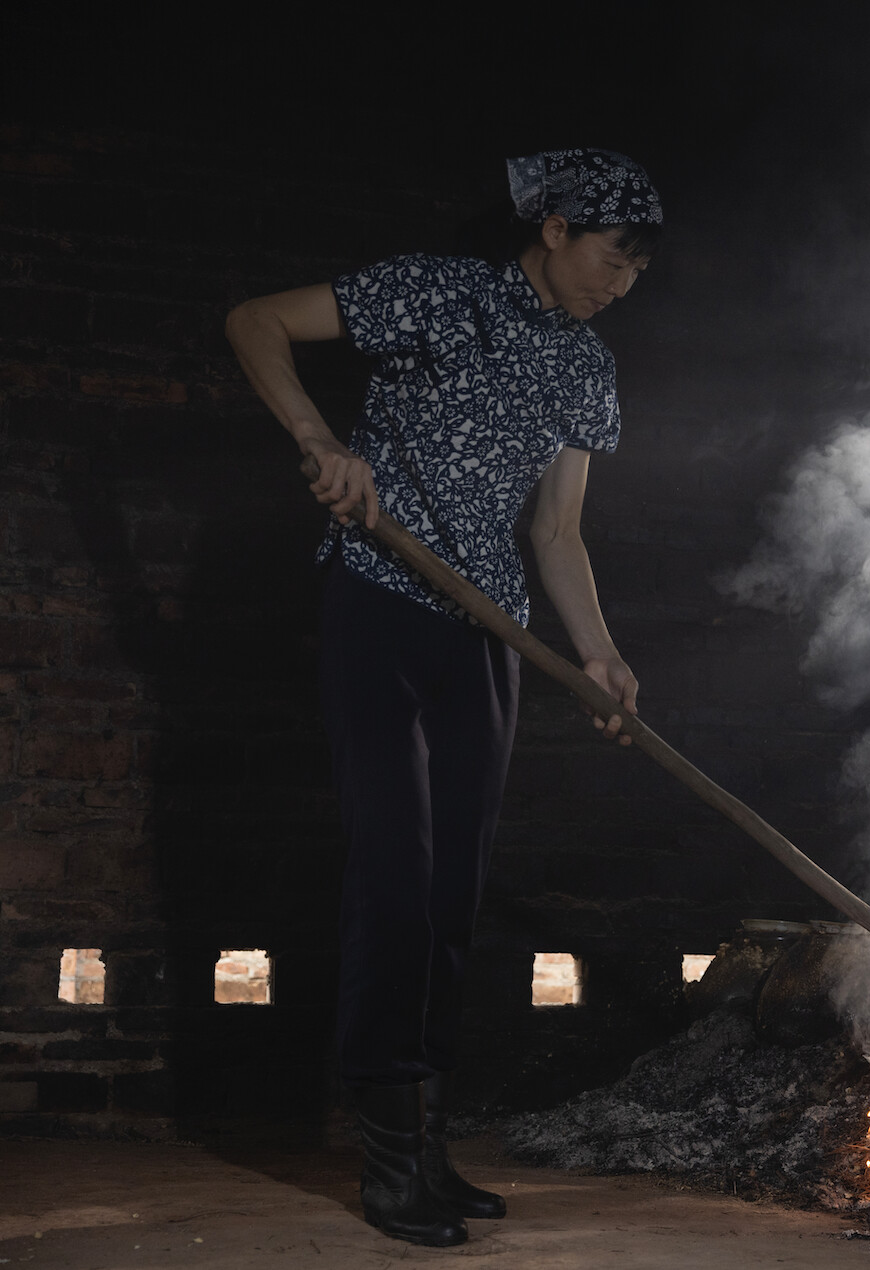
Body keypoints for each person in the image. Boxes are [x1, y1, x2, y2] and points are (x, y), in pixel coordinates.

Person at [225, 149, 660, 1247]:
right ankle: (384, 1156)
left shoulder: (587, 368)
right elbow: (254, 322)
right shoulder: (437, 292)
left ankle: (425, 1140)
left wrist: (600, 654)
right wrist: (321, 441)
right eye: (613, 254)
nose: (623, 280)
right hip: (379, 606)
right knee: (396, 876)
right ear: (556, 227)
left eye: (639, 267)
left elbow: (555, 533)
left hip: (489, 637)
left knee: (454, 894)